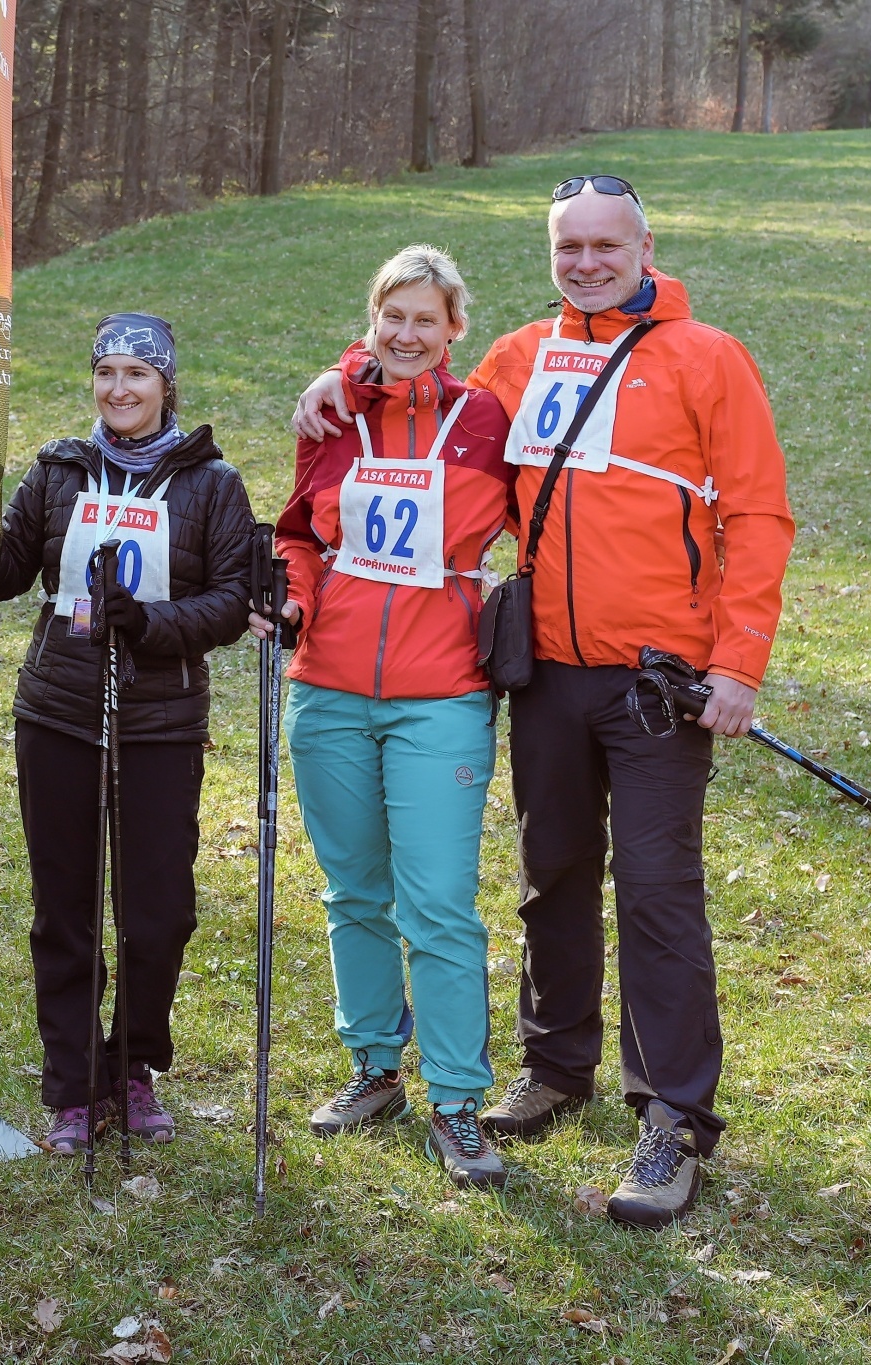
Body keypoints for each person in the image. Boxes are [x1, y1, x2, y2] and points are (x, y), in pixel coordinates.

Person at [292, 177, 794, 1226]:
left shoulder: (707, 357)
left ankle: (671, 1119)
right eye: (570, 247)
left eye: (607, 245)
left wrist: (739, 662)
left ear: (645, 246)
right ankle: (556, 1065)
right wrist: (340, 375)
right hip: (546, 673)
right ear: (551, 254)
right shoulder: (520, 356)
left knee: (656, 891)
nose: (588, 263)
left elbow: (755, 513)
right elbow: (420, 390)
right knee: (551, 873)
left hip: (660, 679)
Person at [0, 313, 255, 1155]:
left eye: (138, 374)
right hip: (59, 711)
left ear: (166, 385)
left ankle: (133, 1067)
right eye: (107, 372)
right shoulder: (58, 469)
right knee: (66, 911)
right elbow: (4, 576)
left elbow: (233, 601)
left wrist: (149, 624)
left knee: (158, 914)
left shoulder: (212, 482)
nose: (120, 388)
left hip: (159, 720)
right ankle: (75, 1084)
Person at [250, 247, 514, 1189]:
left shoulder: (485, 419)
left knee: (438, 902)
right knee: (353, 891)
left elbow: (549, 519)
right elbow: (297, 532)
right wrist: (291, 594)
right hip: (328, 688)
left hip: (441, 693)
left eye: (424, 319)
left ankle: (457, 1099)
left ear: (454, 329)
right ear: (371, 321)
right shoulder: (330, 416)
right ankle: (374, 1066)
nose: (406, 334)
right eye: (391, 316)